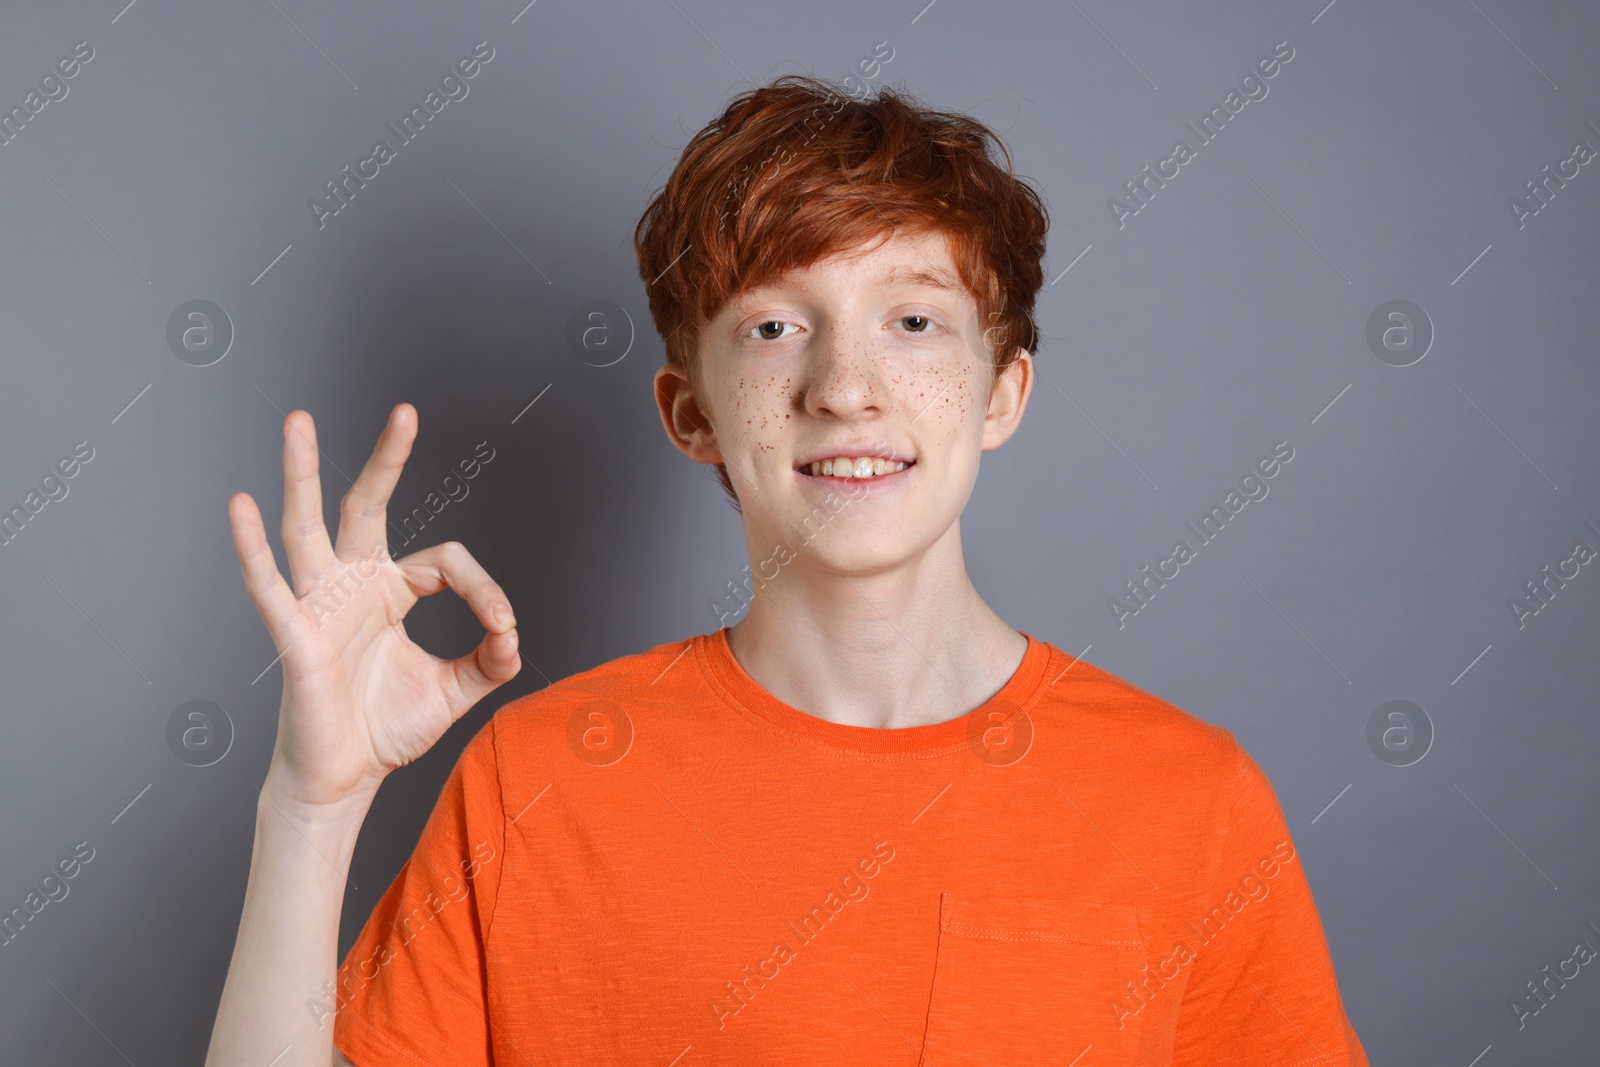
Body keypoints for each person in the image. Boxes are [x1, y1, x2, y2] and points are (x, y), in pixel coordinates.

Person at [206, 74, 1368, 1066]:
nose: (844, 384)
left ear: (1002, 390)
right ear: (691, 411)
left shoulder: (1190, 800)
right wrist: (312, 805)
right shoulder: (536, 779)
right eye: (773, 327)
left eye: (913, 322)